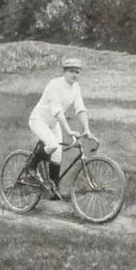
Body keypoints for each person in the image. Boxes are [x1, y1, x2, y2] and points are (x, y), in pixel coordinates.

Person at [28, 56, 94, 199]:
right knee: (52, 145)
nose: (75, 75)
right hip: (39, 120)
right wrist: (69, 131)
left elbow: (80, 108)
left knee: (57, 155)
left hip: (53, 123)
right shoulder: (54, 85)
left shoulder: (76, 87)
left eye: (77, 72)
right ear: (64, 72)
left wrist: (86, 129)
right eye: (71, 71)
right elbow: (56, 110)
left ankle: (52, 190)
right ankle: (31, 166)